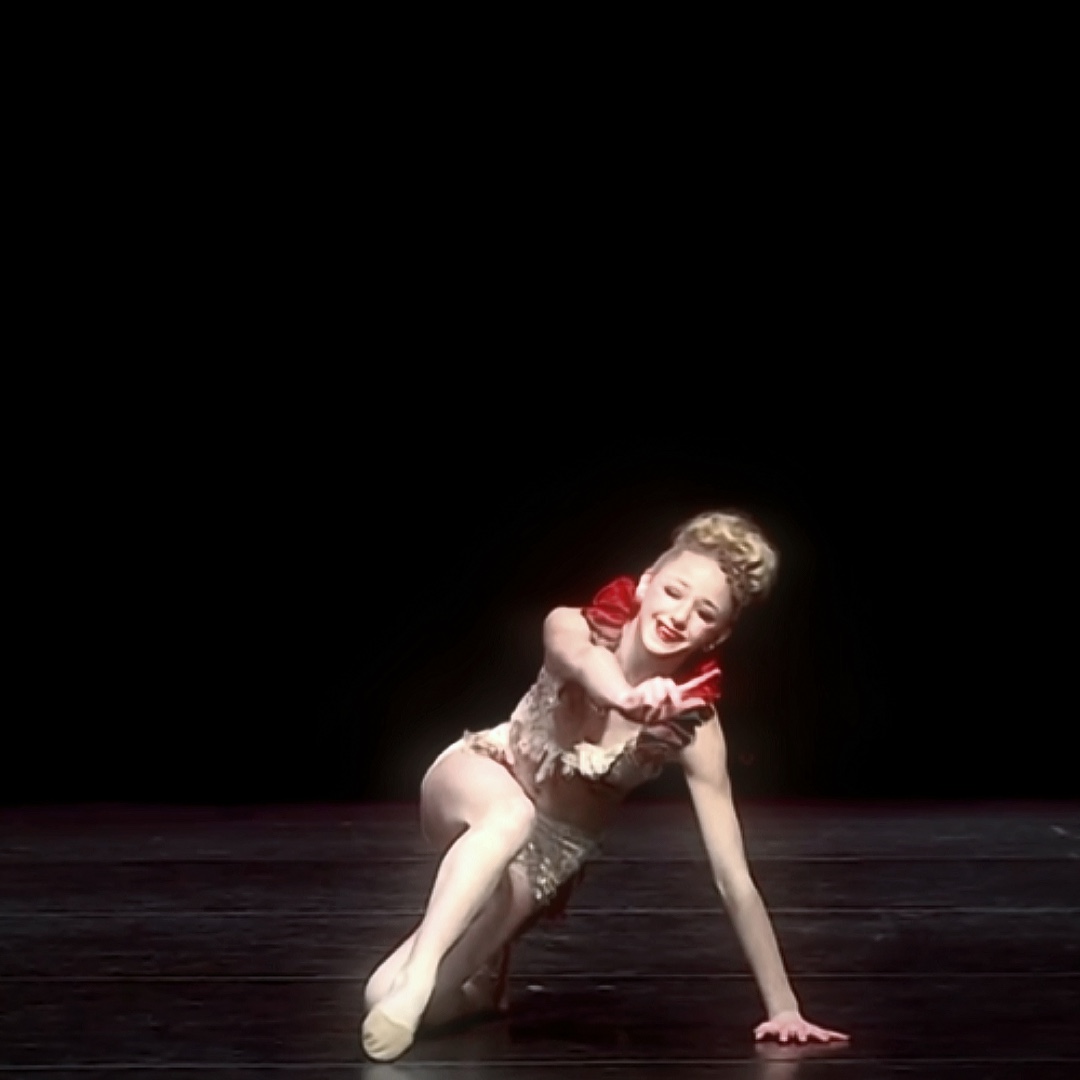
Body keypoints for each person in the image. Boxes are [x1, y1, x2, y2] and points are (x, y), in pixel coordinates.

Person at [361, 510, 850, 1062]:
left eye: (704, 612)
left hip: (542, 857)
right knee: (510, 814)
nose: (679, 616)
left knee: (379, 997)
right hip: (483, 775)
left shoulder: (694, 726)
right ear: (646, 583)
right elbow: (587, 663)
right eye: (673, 592)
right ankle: (421, 974)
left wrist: (783, 1006)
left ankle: (480, 989)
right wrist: (627, 699)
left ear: (719, 633)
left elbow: (732, 877)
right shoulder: (573, 627)